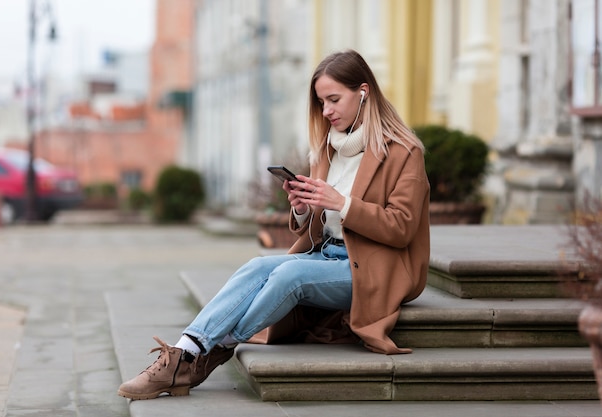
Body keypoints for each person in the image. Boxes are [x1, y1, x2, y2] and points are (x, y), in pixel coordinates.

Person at [117, 49, 430, 400]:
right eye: (321, 102)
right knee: (257, 266)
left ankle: (202, 355)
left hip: (376, 269)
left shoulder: (404, 151)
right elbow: (319, 227)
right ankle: (185, 349)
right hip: (328, 256)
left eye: (333, 100)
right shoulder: (328, 148)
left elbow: (401, 227)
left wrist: (341, 203)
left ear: (363, 92)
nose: (326, 111)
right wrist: (301, 209)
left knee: (288, 276)